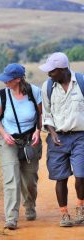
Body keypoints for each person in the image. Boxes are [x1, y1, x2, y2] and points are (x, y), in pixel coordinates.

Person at [0, 63, 42, 230]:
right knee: (11, 178)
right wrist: (5, 134)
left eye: (8, 79)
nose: (5, 82)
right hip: (8, 141)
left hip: (30, 140)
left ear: (18, 79)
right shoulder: (2, 96)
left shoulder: (34, 93)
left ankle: (29, 205)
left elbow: (41, 115)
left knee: (30, 180)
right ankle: (11, 218)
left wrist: (38, 131)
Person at [39, 52, 84, 227]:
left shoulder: (81, 83)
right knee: (61, 178)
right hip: (57, 137)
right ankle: (64, 214)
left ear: (63, 69)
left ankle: (80, 206)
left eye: (52, 71)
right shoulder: (47, 87)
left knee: (81, 176)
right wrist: (52, 132)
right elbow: (47, 114)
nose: (49, 74)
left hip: (81, 136)